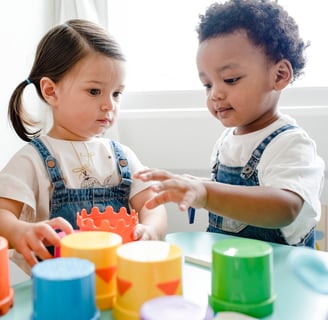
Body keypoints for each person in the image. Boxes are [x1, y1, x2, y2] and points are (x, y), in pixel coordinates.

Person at [135, 0, 325, 248]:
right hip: (232, 267)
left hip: (279, 271)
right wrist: (196, 188)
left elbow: (285, 207)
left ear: (279, 75)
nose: (215, 94)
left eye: (230, 79)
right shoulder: (226, 141)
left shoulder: (290, 143)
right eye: (207, 84)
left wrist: (207, 192)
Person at [0, 19, 167, 274]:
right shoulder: (32, 160)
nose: (109, 104)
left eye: (116, 93)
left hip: (121, 282)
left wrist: (151, 230)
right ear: (50, 91)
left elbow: (151, 204)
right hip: (61, 290)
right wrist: (20, 230)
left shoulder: (122, 156)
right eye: (94, 91)